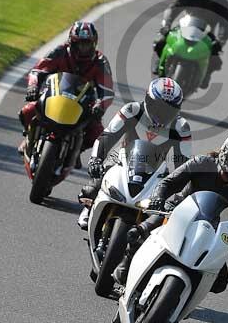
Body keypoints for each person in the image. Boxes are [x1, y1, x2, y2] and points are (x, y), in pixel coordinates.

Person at [113, 130, 228, 293]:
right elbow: (168, 182)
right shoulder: (202, 163)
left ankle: (185, 294)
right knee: (138, 232)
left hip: (208, 225)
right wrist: (158, 198)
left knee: (220, 282)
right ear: (227, 153)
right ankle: (126, 263)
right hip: (177, 211)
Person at [77, 77, 192, 229]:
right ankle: (89, 207)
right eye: (158, 107)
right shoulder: (132, 110)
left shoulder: (181, 127)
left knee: (167, 204)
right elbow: (107, 136)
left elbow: (182, 163)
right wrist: (95, 159)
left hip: (157, 166)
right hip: (122, 155)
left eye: (168, 110)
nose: (162, 114)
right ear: (148, 100)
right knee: (95, 183)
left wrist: (179, 190)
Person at [18, 20, 113, 157]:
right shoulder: (59, 52)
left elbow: (108, 90)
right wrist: (33, 86)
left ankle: (76, 151)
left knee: (97, 135)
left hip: (83, 105)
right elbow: (37, 71)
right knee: (28, 111)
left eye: (87, 44)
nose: (83, 49)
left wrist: (100, 104)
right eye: (80, 44)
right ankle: (29, 138)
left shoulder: (100, 62)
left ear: (94, 43)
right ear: (72, 42)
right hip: (54, 95)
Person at [152, 0, 228, 89]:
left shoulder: (223, 3)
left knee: (216, 59)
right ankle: (159, 62)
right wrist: (166, 25)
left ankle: (206, 74)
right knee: (160, 41)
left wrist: (220, 42)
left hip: (206, 33)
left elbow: (226, 26)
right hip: (185, 26)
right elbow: (173, 8)